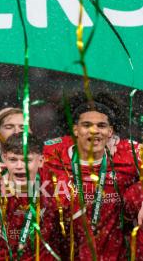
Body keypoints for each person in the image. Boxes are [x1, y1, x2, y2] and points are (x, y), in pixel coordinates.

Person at [41, 94, 143, 259]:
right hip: (63, 252)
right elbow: (10, 154)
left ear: (111, 131)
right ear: (75, 129)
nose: (94, 131)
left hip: (114, 252)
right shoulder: (53, 151)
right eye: (87, 125)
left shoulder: (128, 152)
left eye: (101, 126)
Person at [0, 133, 61, 260]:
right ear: (4, 158)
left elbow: (64, 236)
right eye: (13, 160)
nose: (20, 166)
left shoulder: (53, 183)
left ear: (41, 161)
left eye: (27, 160)